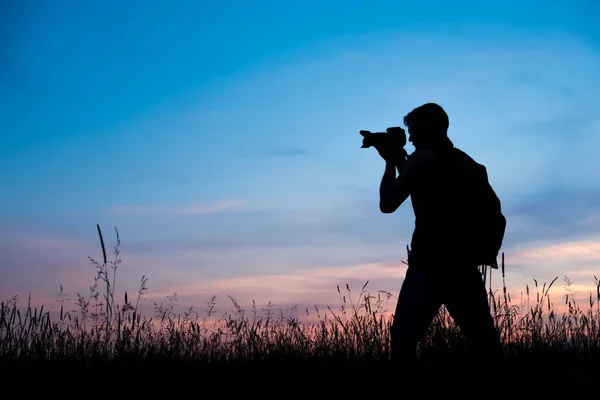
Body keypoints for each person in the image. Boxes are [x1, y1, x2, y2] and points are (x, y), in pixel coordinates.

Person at [374, 103, 504, 369]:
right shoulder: (463, 162)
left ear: (432, 128)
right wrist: (399, 156)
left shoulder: (422, 159)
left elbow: (388, 203)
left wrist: (389, 162)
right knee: (483, 341)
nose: (410, 138)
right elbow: (422, 180)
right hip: (463, 265)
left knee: (403, 338)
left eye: (415, 131)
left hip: (429, 264)